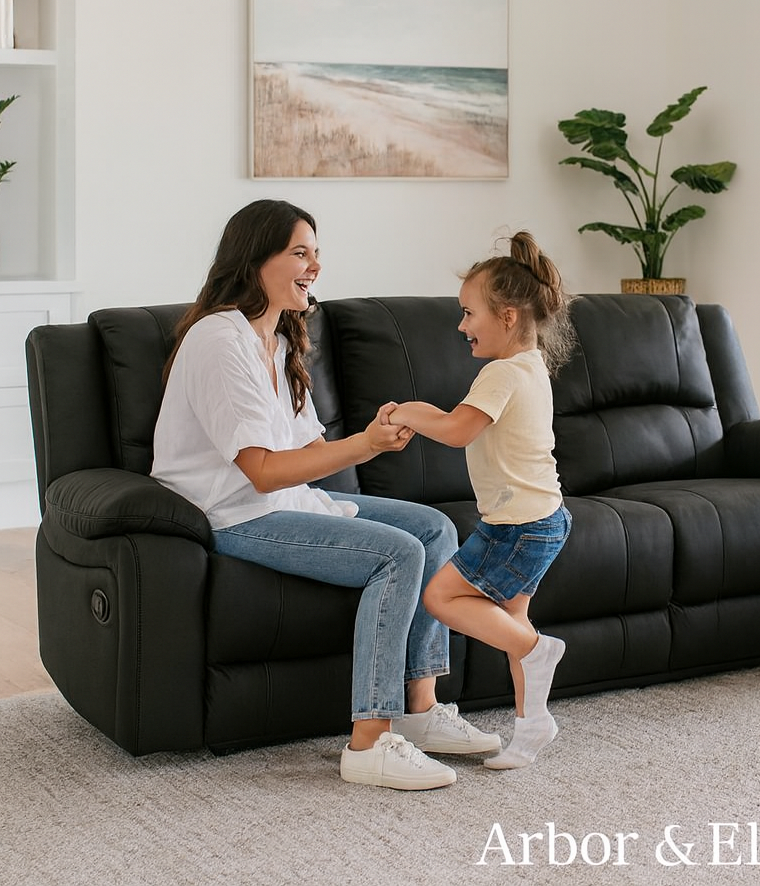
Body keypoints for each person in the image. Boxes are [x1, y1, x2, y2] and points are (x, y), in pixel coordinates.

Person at [150, 198, 500, 791]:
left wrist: (383, 432)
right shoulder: (218, 339)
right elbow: (261, 472)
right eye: (300, 253)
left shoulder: (281, 341)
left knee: (435, 528)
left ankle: (420, 713)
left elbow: (310, 451)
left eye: (317, 254)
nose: (314, 266)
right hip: (231, 513)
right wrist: (364, 445)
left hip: (282, 503)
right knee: (399, 553)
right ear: (255, 258)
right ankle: (369, 743)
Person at [381, 230, 574, 770]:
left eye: (469, 314)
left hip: (516, 527)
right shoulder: (531, 366)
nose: (462, 325)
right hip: (541, 520)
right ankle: (531, 726)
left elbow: (457, 430)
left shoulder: (502, 372)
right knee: (513, 625)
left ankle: (541, 651)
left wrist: (404, 412)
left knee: (441, 598)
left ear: (508, 316)